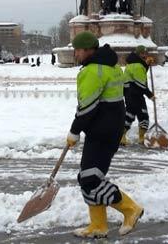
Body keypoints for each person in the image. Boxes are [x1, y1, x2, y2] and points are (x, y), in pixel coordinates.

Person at [66, 31, 143, 238]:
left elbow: (86, 108)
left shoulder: (92, 71)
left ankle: (130, 209)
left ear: (88, 50)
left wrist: (74, 131)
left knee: (90, 180)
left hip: (102, 131)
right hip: (109, 129)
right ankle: (98, 226)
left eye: (78, 51)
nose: (75, 54)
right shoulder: (112, 66)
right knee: (88, 176)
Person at [122, 45, 155, 145]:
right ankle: (138, 137)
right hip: (134, 94)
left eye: (145, 53)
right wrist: (150, 95)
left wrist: (147, 65)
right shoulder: (137, 66)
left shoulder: (134, 64)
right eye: (143, 53)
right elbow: (140, 84)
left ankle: (123, 136)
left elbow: (140, 75)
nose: (145, 55)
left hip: (131, 94)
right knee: (141, 116)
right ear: (138, 54)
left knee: (132, 115)